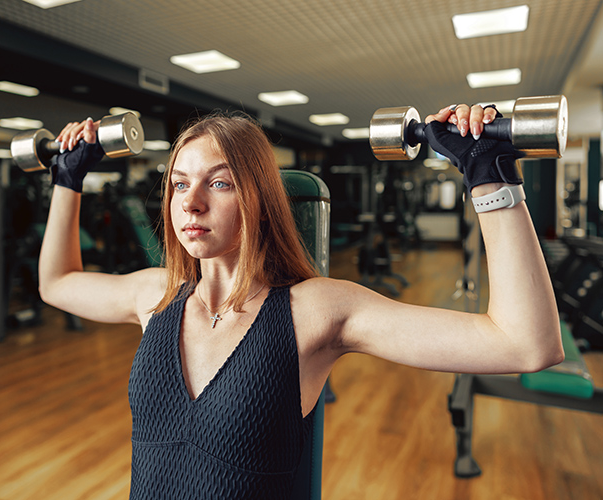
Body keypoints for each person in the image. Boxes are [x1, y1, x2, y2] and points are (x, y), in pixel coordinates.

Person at [38, 104, 564, 499]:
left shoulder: (312, 312)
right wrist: (68, 179)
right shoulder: (155, 296)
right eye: (179, 184)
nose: (191, 202)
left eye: (219, 183)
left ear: (260, 200)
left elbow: (525, 345)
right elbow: (57, 282)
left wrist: (489, 179)